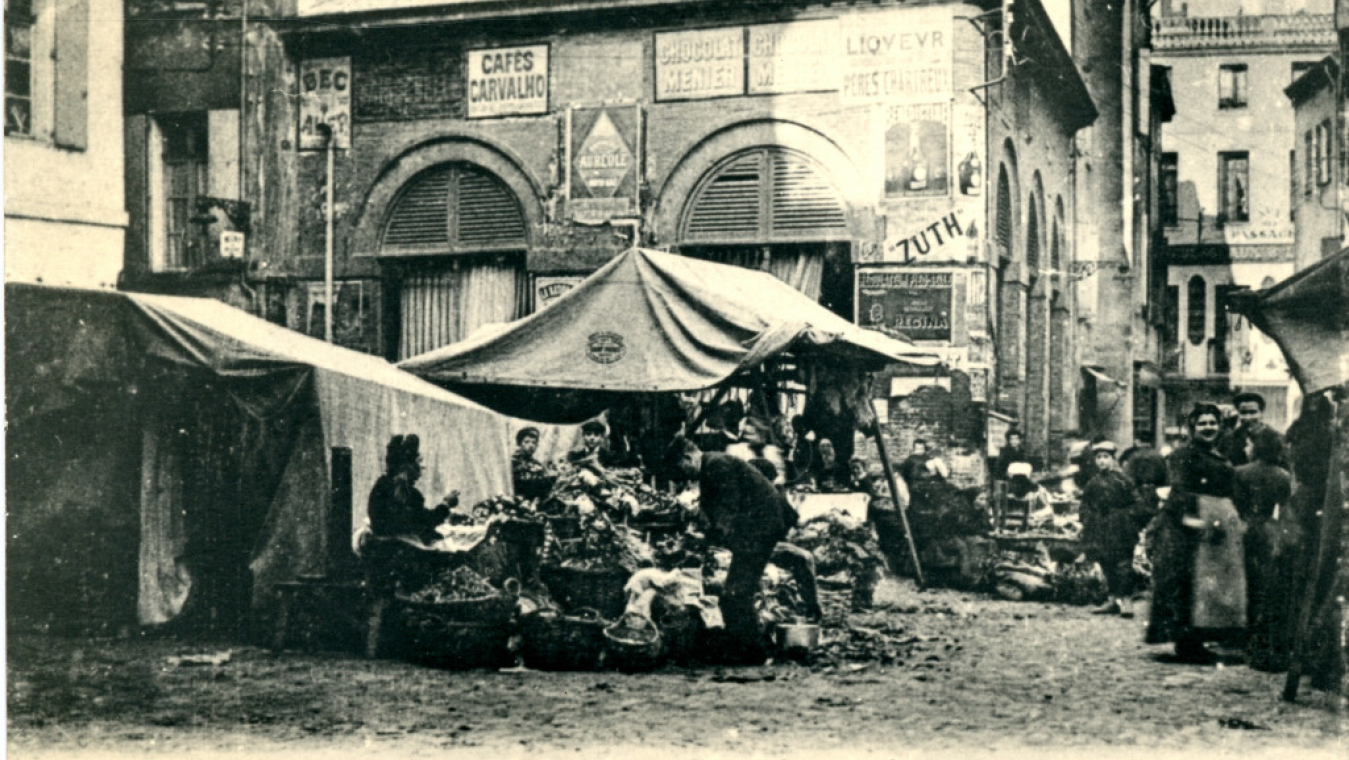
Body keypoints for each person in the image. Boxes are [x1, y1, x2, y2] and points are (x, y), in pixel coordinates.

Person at [670, 437, 795, 663]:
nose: (684, 476)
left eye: (682, 468)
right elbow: (712, 509)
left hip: (760, 530)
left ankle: (751, 653)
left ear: (688, 457)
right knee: (736, 592)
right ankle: (746, 647)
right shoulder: (711, 467)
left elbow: (727, 506)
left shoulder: (717, 466)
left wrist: (711, 536)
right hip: (757, 529)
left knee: (736, 594)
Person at [1147, 403, 1246, 663]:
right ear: (1193, 427)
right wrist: (1195, 521)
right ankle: (1188, 643)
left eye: (1213, 423)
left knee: (1207, 584)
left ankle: (1200, 638)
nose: (1208, 427)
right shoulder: (1184, 454)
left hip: (1214, 522)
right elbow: (1180, 491)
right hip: (1188, 524)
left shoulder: (1218, 453)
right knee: (1187, 581)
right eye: (1202, 423)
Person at [1233, 427, 1294, 671]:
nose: (1246, 449)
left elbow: (1235, 505)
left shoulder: (1240, 473)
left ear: (1256, 447)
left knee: (1247, 583)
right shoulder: (1283, 475)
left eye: (1249, 445)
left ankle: (1246, 640)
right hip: (1271, 529)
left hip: (1246, 528)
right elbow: (1286, 507)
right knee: (1267, 586)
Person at [1079, 441, 1149, 618]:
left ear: (1112, 459)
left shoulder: (1123, 480)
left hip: (1121, 528)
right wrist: (1088, 519)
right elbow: (1085, 505)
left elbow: (1138, 503)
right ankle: (1112, 600)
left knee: (1123, 564)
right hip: (1100, 528)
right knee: (1106, 563)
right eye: (1099, 457)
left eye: (1106, 457)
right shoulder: (1092, 483)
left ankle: (1126, 600)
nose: (1102, 461)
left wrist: (1126, 517)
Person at [368, 434, 457, 545]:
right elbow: (424, 522)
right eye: (419, 461)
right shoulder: (403, 493)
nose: (422, 466)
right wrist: (446, 505)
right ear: (408, 466)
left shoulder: (384, 486)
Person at [1222, 391, 1283, 467]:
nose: (1248, 417)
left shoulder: (1276, 438)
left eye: (1253, 412)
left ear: (1261, 413)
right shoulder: (1229, 439)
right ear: (1238, 414)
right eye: (1243, 413)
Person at [511, 427, 556, 501]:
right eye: (526, 442)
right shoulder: (512, 462)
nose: (531, 445)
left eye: (534, 442)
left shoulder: (537, 464)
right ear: (519, 443)